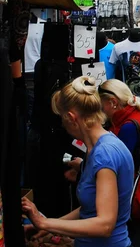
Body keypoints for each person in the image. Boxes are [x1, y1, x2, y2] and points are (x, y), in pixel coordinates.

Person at [22, 76, 134, 247]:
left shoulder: (103, 155)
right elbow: (90, 210)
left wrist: (44, 222)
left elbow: (105, 225)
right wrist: (50, 227)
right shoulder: (101, 147)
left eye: (61, 118)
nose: (62, 124)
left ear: (71, 117)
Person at [98, 79, 140, 247]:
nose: (101, 110)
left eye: (101, 105)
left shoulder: (128, 126)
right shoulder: (135, 118)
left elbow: (120, 169)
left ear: (112, 103)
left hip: (137, 201)